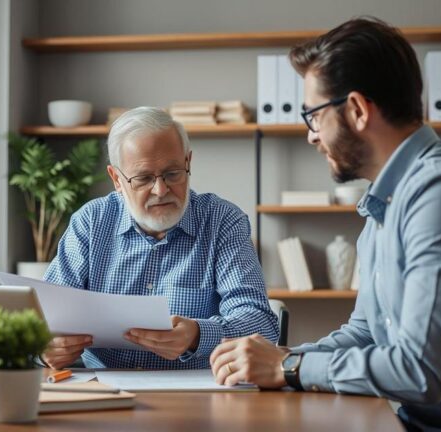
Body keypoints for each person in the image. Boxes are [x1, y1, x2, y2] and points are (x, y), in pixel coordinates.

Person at [210, 17, 441, 431]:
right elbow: (365, 332)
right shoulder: (387, 201)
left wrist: (291, 366)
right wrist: (278, 361)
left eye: (313, 116)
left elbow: (421, 371)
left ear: (358, 110)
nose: (310, 135)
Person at [42, 106, 279, 370]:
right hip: (102, 388)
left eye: (172, 173)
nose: (161, 190)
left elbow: (262, 326)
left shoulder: (222, 221)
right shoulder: (90, 223)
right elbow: (42, 321)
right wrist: (43, 350)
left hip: (195, 398)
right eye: (143, 178)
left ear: (188, 163)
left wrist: (198, 336)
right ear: (117, 179)